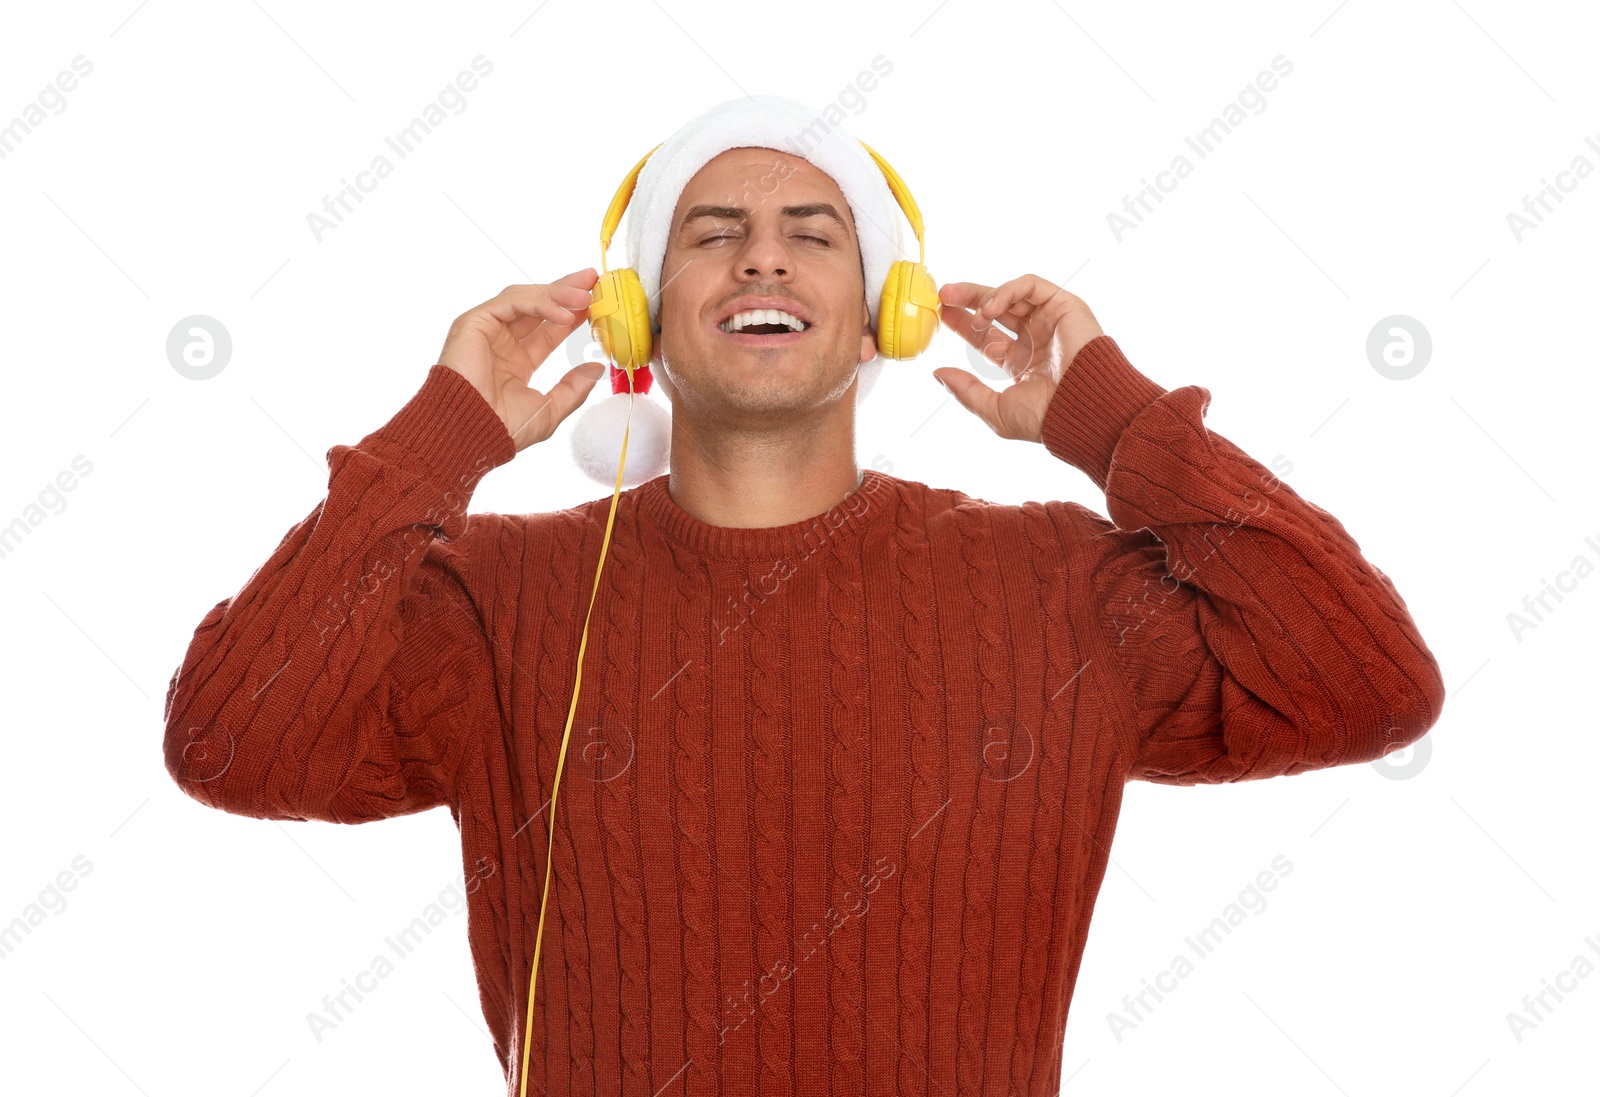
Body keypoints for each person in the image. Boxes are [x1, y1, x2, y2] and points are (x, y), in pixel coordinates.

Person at [162, 95, 1445, 1097]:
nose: (760, 261)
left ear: (887, 311)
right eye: (711, 235)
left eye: (810, 236)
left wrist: (1112, 425)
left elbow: (1371, 683)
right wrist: (442, 435)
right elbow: (231, 737)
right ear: (635, 318)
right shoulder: (502, 598)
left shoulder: (1056, 586)